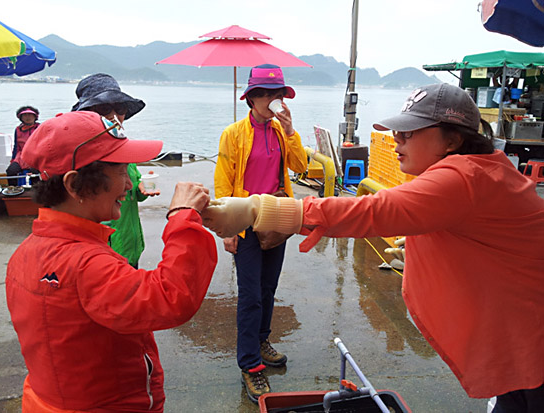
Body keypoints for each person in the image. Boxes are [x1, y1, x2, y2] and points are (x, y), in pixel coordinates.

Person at [203, 83, 544, 412]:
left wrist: (258, 209)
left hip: (531, 342)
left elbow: (372, 210)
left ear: (453, 139)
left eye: (409, 133)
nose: (396, 139)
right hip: (520, 338)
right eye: (398, 131)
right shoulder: (483, 170)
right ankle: (252, 357)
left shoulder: (463, 177)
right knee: (253, 294)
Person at [6, 111, 217, 412]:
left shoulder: (25, 252)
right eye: (120, 171)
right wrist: (183, 217)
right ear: (75, 184)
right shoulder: (85, 263)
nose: (129, 185)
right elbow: (168, 297)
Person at [214, 64, 307, 402]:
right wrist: (227, 227)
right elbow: (223, 179)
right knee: (250, 293)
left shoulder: (282, 131)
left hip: (277, 216)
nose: (274, 100)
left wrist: (292, 130)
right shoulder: (233, 133)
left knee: (269, 287)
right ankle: (251, 364)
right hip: (245, 221)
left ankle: (262, 340)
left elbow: (299, 167)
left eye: (277, 94)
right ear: (252, 98)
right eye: (267, 94)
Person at [71, 73, 157, 268]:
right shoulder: (81, 155)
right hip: (103, 252)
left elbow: (130, 191)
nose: (114, 116)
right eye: (103, 108)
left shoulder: (123, 148)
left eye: (120, 108)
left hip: (130, 245)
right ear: (87, 112)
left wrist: (140, 190)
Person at [6, 106, 41, 186]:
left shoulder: (40, 128)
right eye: (25, 115)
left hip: (36, 155)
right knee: (11, 171)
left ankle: (38, 191)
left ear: (35, 117)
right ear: (20, 117)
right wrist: (13, 160)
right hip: (21, 156)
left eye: (30, 115)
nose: (28, 117)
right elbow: (16, 146)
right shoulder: (18, 129)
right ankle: (14, 190)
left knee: (35, 171)